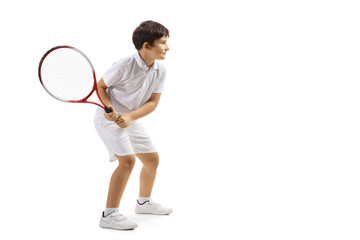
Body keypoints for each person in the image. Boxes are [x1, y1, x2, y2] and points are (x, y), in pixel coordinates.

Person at [94, 20, 172, 230]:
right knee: (127, 162)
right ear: (146, 46)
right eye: (163, 43)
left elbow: (153, 103)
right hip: (107, 120)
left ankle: (144, 202)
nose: (168, 47)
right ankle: (109, 215)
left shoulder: (160, 70)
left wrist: (129, 117)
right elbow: (101, 87)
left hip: (130, 118)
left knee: (152, 160)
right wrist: (109, 108)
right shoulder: (123, 65)